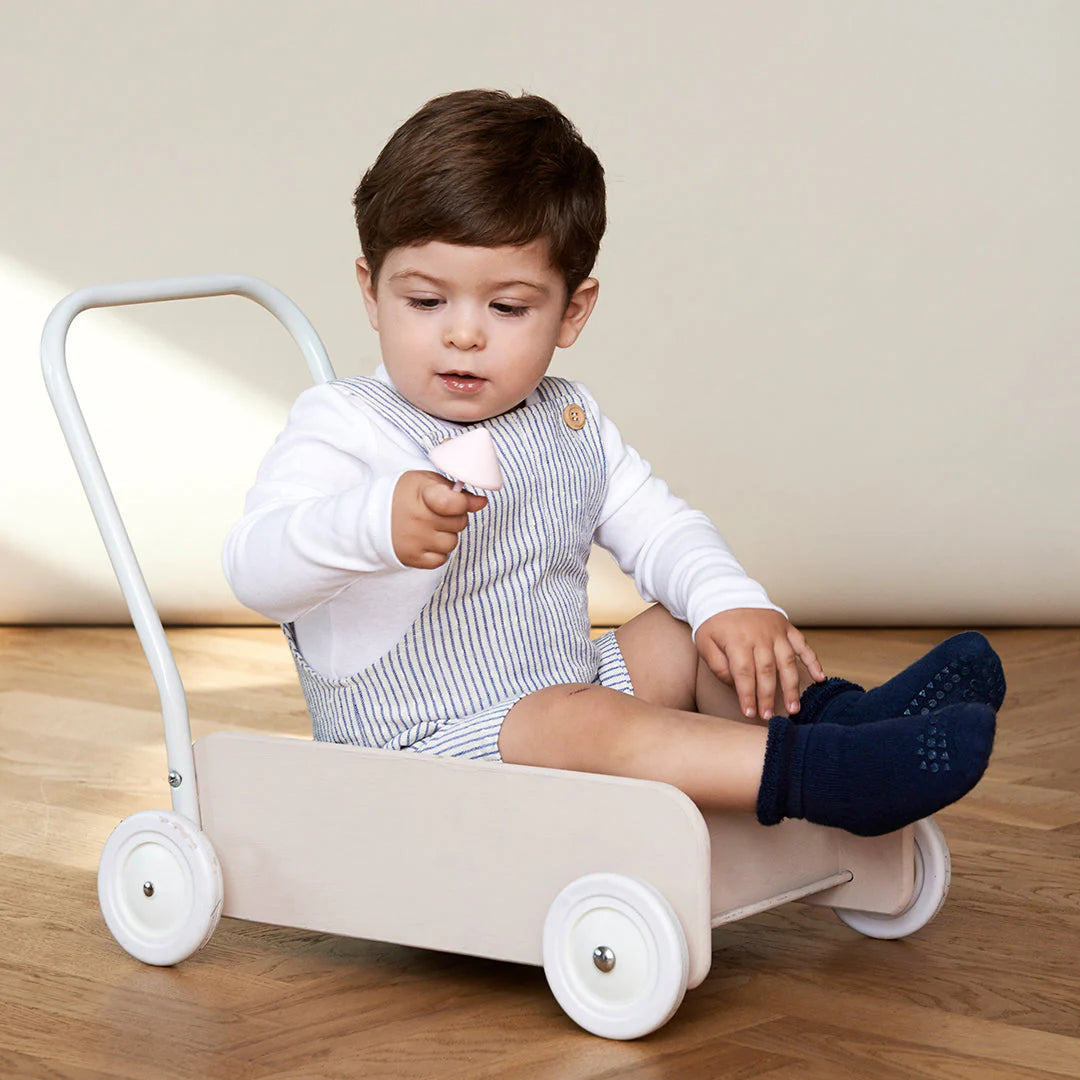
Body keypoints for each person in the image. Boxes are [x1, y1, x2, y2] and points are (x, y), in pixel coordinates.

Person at [224, 89, 1004, 837]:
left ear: (572, 311)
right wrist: (370, 525)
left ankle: (842, 721)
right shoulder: (344, 424)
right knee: (581, 719)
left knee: (690, 627)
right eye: (425, 302)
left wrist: (730, 602)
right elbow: (254, 567)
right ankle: (825, 774)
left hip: (563, 697)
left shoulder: (571, 421)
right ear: (372, 292)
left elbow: (662, 528)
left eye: (508, 308)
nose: (463, 335)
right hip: (420, 750)